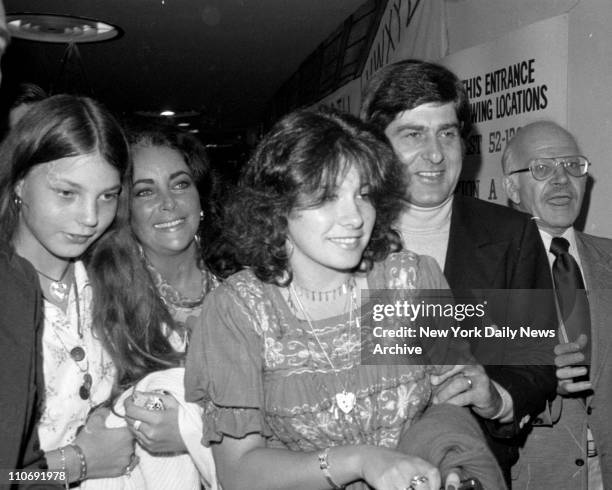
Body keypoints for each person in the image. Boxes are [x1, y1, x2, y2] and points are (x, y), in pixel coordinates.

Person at [185, 108, 505, 490]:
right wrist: (359, 460)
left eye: (364, 194)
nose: (355, 217)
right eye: (327, 197)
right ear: (276, 205)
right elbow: (239, 471)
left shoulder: (410, 280)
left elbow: (448, 406)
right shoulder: (238, 310)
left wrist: (453, 468)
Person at [360, 59, 558, 481]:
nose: (435, 154)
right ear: (377, 145)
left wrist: (498, 396)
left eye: (447, 133)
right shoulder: (341, 238)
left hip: (468, 468)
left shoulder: (512, 235)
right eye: (414, 134)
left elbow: (536, 360)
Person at [0, 94, 135, 486]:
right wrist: (76, 462)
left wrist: (151, 411)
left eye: (107, 196)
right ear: (20, 180)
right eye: (67, 193)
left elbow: (150, 378)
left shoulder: (112, 275)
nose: (91, 218)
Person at [83, 125, 220, 489]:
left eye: (180, 184)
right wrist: (73, 463)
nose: (168, 203)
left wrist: (192, 433)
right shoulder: (96, 296)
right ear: (125, 208)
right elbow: (19, 471)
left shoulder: (248, 282)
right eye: (145, 191)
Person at [501, 121, 612, 489]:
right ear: (512, 187)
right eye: (543, 169)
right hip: (536, 475)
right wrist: (542, 385)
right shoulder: (487, 273)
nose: (562, 179)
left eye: (573, 166)